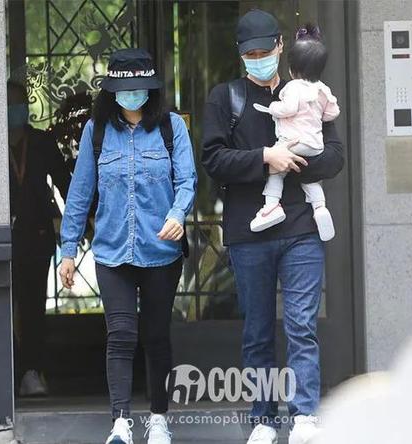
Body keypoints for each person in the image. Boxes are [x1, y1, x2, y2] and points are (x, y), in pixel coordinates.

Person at [202, 9, 344, 444]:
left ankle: (305, 417)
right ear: (240, 54)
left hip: (301, 229)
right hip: (249, 233)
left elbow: (335, 155)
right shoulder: (225, 98)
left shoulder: (309, 90)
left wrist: (294, 162)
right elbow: (213, 159)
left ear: (281, 47)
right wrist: (266, 158)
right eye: (251, 54)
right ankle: (263, 419)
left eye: (266, 51)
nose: (260, 60)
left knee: (301, 326)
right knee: (258, 331)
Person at [58, 48, 197, 444]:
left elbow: (187, 180)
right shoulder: (97, 131)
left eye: (139, 88)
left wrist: (178, 214)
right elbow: (80, 192)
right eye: (125, 89)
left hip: (161, 253)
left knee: (156, 336)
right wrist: (68, 250)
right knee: (120, 335)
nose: (132, 95)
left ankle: (158, 419)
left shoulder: (171, 127)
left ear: (150, 89)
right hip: (113, 251)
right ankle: (120, 422)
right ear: (112, 91)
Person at [7, 80, 71, 397]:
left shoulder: (41, 142)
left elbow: (64, 182)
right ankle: (10, 370)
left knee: (33, 305)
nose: (14, 110)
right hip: (1, 239)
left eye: (18, 104)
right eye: (8, 104)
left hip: (36, 235)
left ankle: (32, 371)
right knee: (4, 306)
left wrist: (81, 222)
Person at [250, 23, 340, 242]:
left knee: (276, 170)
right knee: (310, 180)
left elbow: (288, 109)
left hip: (293, 142)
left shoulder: (292, 87)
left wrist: (274, 108)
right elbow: (332, 113)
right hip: (315, 145)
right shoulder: (323, 89)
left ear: (292, 69)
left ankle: (272, 206)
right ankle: (319, 207)